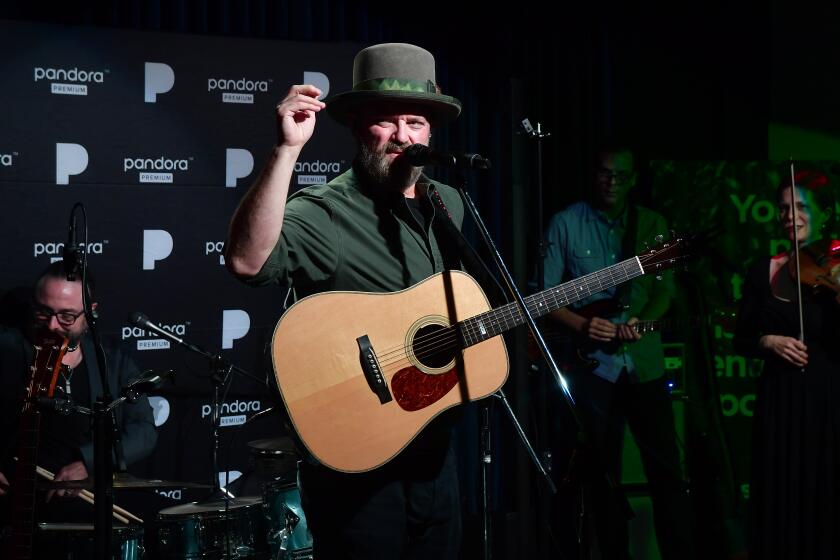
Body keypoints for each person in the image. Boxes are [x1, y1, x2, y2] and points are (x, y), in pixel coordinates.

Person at [225, 43, 465, 559]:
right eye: (387, 121)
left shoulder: (452, 206)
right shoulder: (328, 211)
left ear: (431, 132)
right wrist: (286, 151)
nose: (404, 136)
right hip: (358, 460)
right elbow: (247, 263)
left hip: (436, 452)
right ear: (358, 127)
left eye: (416, 123)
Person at [543, 145, 696, 559]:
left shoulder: (652, 224)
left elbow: (667, 291)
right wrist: (583, 324)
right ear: (593, 174)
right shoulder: (565, 223)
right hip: (594, 368)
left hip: (643, 364)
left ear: (634, 178)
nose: (613, 183)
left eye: (622, 176)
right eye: (606, 174)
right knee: (602, 478)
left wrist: (642, 318)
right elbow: (544, 296)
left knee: (667, 471)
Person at [0, 262, 158, 529]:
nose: (51, 325)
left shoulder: (113, 362)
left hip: (91, 489)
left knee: (156, 521)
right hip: (22, 494)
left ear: (90, 314)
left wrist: (89, 462)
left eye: (66, 317)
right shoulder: (8, 349)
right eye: (43, 312)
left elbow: (144, 431)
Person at [734, 170, 840, 559]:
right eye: (783, 208)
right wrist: (767, 340)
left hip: (829, 398)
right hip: (780, 401)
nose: (790, 216)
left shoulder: (836, 264)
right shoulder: (764, 271)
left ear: (822, 214)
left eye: (800, 207)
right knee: (781, 492)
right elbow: (742, 337)